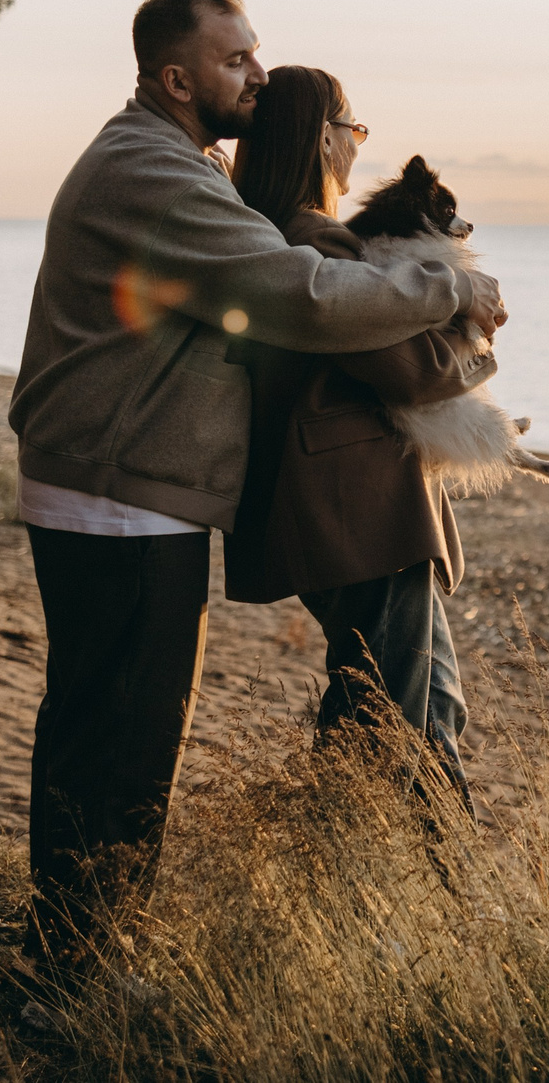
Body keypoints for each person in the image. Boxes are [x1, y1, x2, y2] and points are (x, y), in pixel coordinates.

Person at [8, 0, 504, 966]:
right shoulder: (154, 173)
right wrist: (452, 281)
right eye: (237, 61)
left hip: (119, 485)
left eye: (257, 53)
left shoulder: (165, 163)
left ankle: (71, 949)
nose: (260, 75)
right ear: (176, 77)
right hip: (120, 498)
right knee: (123, 742)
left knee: (102, 729)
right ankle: (83, 965)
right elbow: (310, 300)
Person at [222, 66, 484, 803]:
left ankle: (417, 887)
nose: (357, 148)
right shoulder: (315, 241)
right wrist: (472, 335)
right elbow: (406, 369)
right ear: (322, 137)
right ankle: (393, 884)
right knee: (394, 715)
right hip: (359, 512)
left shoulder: (280, 234)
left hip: (345, 512)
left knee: (414, 704)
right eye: (353, 130)